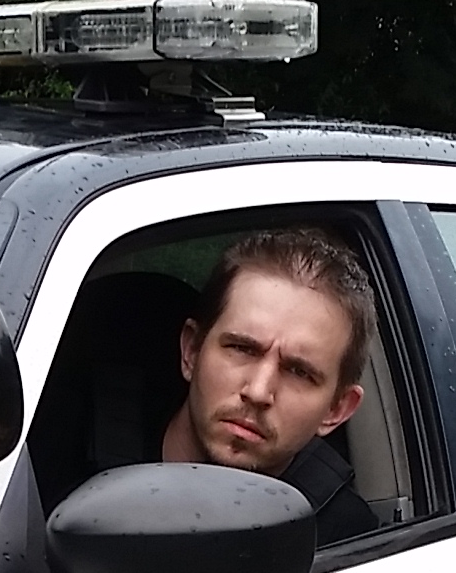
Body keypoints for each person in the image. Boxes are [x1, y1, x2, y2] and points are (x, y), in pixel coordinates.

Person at [159, 228, 384, 539]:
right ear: (192, 350)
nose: (258, 391)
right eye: (242, 348)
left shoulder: (346, 541)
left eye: (299, 372)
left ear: (337, 409)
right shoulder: (75, 439)